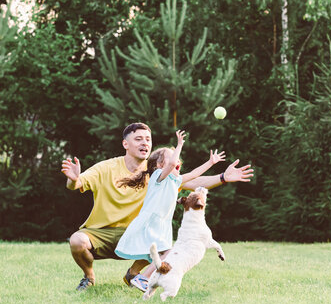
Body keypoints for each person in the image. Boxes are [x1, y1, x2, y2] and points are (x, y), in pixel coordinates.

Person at [61, 122, 253, 291]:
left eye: (147, 139)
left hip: (138, 233)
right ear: (125, 144)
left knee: (162, 244)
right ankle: (89, 277)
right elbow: (77, 184)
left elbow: (192, 180)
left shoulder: (158, 172)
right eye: (138, 139)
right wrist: (73, 178)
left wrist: (223, 178)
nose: (144, 142)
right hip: (102, 232)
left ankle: (134, 275)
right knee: (77, 241)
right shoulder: (108, 168)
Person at [114, 129, 224, 290]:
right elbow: (172, 164)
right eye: (171, 156)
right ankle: (141, 278)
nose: (176, 159)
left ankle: (142, 278)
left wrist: (211, 162)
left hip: (161, 224)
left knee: (166, 253)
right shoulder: (158, 177)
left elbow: (193, 174)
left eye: (177, 157)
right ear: (159, 165)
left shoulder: (175, 180)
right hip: (151, 222)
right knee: (167, 253)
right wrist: (179, 144)